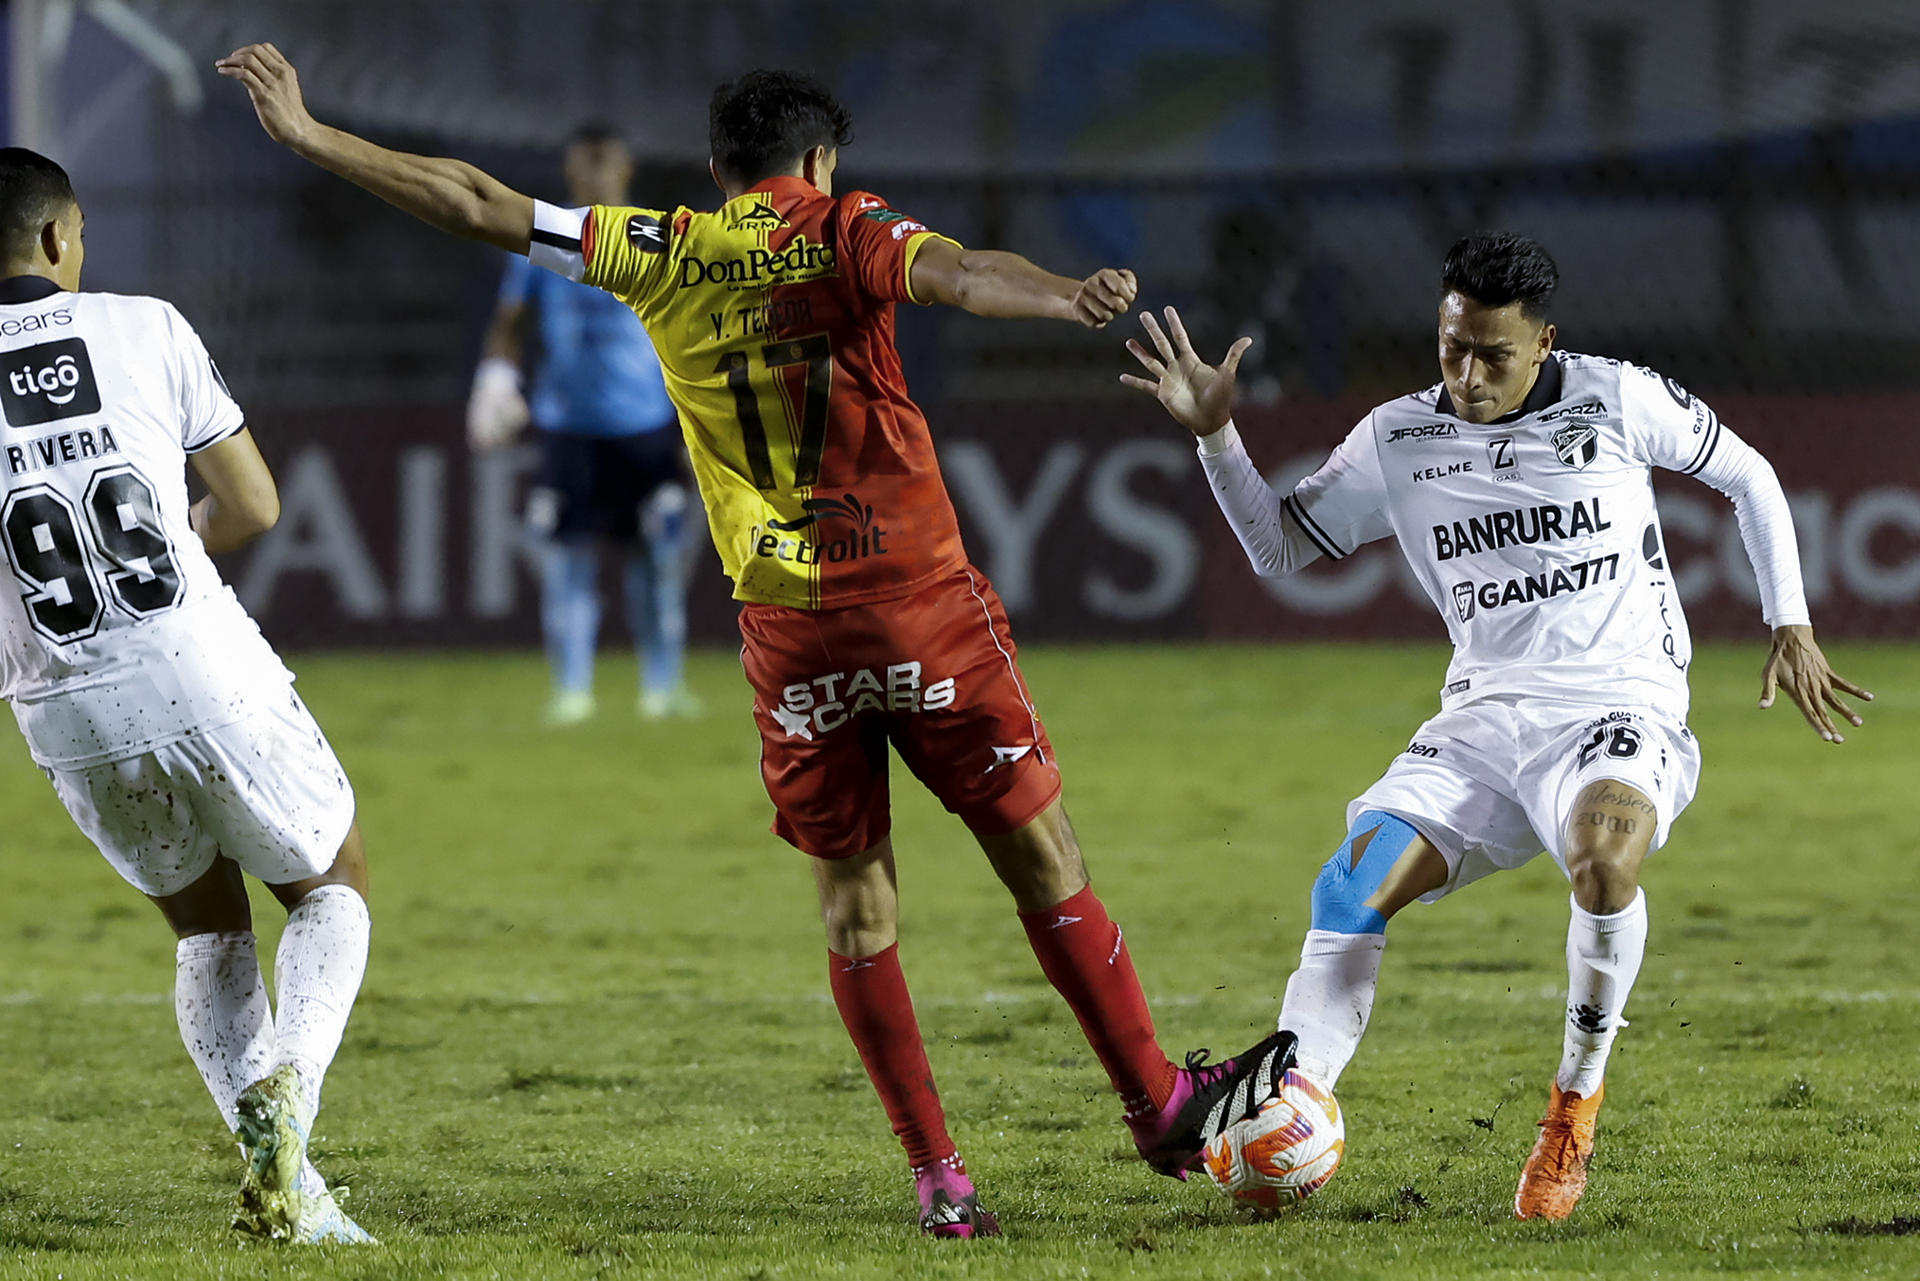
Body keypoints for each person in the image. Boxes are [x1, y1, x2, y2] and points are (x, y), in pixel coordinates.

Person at [217, 45, 1290, 1237]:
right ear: (820, 159)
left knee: (855, 902)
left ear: (719, 170)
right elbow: (965, 273)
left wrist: (313, 135)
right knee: (1041, 852)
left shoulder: (662, 249)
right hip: (921, 603)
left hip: (793, 635)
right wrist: (1065, 294)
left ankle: (940, 1178)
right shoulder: (845, 226)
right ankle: (1156, 1107)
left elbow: (475, 201)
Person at [1122, 231, 1871, 1219]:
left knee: (1603, 861)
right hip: (1483, 718)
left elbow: (1751, 477)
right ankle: (1293, 1106)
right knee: (1350, 882)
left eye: (1494, 355)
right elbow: (1279, 547)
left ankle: (1573, 1106)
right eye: (1451, 349)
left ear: (1545, 342)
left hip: (1619, 702)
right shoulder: (1398, 438)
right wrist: (1218, 437)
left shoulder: (1617, 398)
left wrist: (1790, 622)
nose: (1468, 376)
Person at [0, 148, 374, 1244]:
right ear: (61, 238)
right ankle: (291, 1086)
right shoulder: (145, 326)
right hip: (196, 660)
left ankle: (297, 1202)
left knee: (206, 929)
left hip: (61, 704)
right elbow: (252, 505)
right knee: (329, 880)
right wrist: (179, 538)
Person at [466, 121, 701, 726]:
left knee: (655, 557)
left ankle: (663, 686)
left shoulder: (657, 238)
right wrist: (496, 375)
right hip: (567, 426)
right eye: (585, 165)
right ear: (571, 172)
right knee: (569, 557)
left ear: (625, 170)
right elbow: (509, 321)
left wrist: (695, 413)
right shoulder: (547, 239)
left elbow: (691, 328)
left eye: (606, 164)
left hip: (644, 424)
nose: (596, 175)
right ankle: (573, 689)